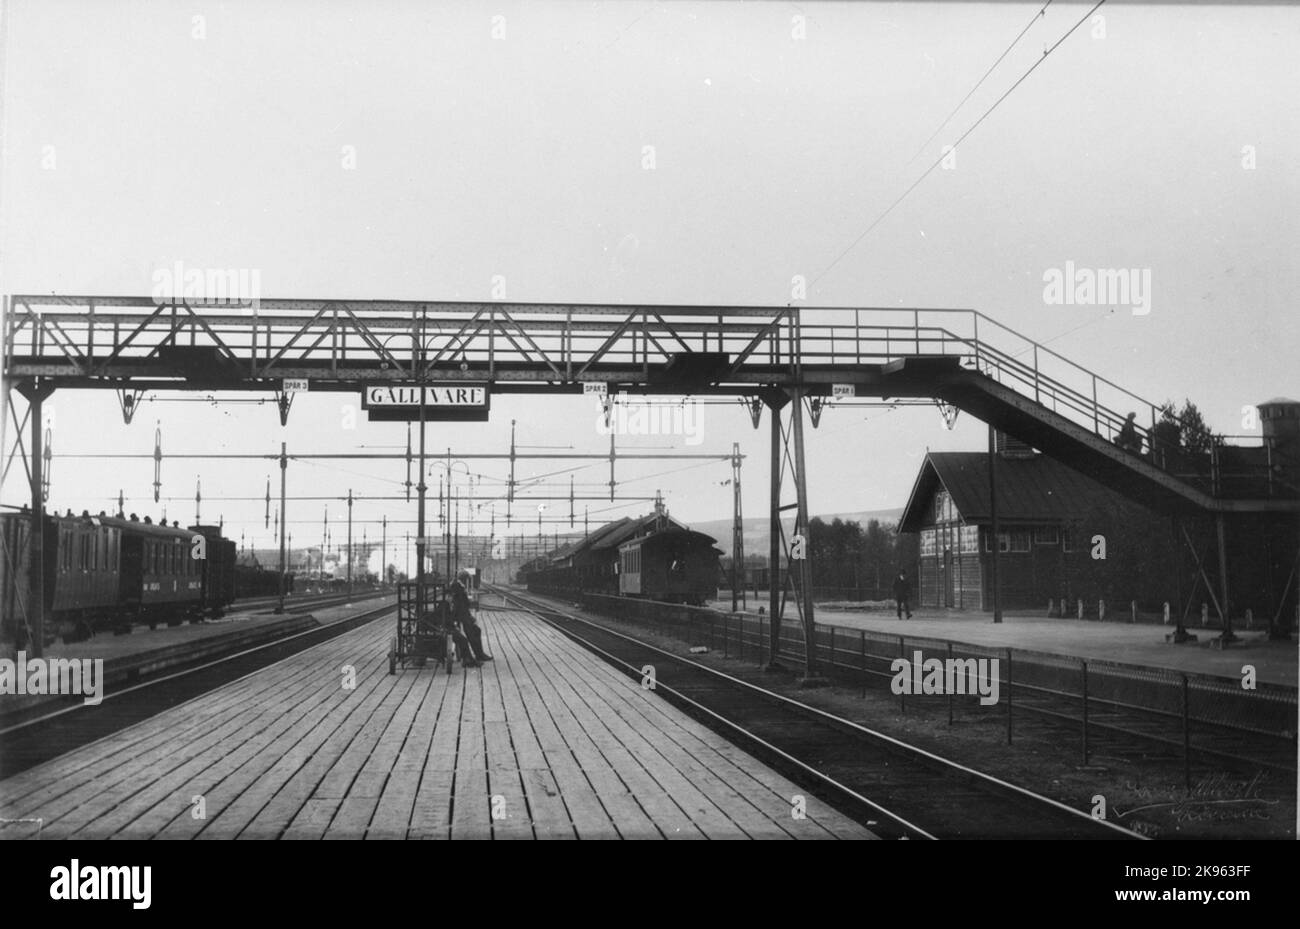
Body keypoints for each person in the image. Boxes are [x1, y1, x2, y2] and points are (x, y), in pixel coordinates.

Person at [449, 569, 493, 665]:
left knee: (476, 630)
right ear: (464, 579)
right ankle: (477, 655)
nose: (467, 582)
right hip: (459, 616)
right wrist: (468, 618)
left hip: (461, 615)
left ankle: (479, 654)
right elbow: (460, 606)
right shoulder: (457, 587)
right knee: (473, 630)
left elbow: (462, 605)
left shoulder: (457, 586)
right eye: (467, 580)